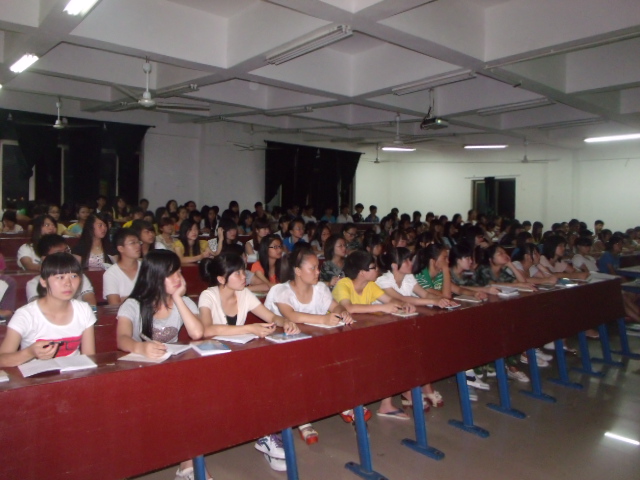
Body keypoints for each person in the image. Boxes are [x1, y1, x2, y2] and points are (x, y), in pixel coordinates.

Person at [198, 253, 298, 472]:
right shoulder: (208, 295)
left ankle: (266, 434)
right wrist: (249, 328)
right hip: (214, 362)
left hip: (238, 356)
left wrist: (284, 321)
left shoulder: (243, 294)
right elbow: (207, 329)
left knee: (271, 377)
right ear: (221, 279)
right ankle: (265, 435)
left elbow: (270, 316)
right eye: (237, 274)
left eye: (243, 272)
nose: (244, 277)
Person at [116, 250, 209, 480]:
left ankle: (187, 466)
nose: (178, 278)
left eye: (178, 272)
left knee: (193, 400)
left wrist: (178, 298)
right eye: (171, 274)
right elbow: (122, 338)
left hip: (172, 370)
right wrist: (140, 347)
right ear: (155, 276)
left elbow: (197, 332)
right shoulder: (134, 304)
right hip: (141, 374)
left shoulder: (182, 301)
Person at [265, 246, 353, 445]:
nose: (317, 272)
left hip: (312, 347)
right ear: (297, 271)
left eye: (317, 268)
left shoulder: (320, 289)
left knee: (338, 357)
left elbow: (335, 306)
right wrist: (323, 319)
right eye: (312, 268)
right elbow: (292, 316)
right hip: (284, 352)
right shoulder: (281, 291)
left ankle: (341, 401)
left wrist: (342, 311)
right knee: (300, 370)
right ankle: (303, 421)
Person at [332, 250, 414, 420]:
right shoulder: (344, 285)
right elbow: (349, 308)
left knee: (391, 352)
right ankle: (352, 402)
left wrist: (403, 304)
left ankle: (386, 404)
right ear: (362, 272)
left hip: (360, 334)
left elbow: (389, 300)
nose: (377, 270)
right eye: (373, 267)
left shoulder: (370, 285)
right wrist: (382, 308)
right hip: (338, 338)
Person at [0, 252, 95, 367]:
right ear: (44, 282)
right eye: (60, 277)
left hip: (73, 374)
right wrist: (29, 353)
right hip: (35, 376)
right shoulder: (25, 315)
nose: (68, 283)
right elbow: (2, 359)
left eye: (74, 276)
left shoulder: (84, 310)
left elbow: (89, 357)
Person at [26, 234, 97, 306]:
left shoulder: (78, 276)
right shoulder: (34, 283)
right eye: (58, 253)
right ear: (44, 258)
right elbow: (37, 308)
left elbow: (90, 300)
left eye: (66, 251)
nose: (65, 256)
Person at [104, 228, 141, 305]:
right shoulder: (111, 274)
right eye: (132, 243)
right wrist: (142, 297)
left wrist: (125, 299)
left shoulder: (146, 267)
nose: (138, 245)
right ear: (121, 248)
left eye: (138, 242)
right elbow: (114, 304)